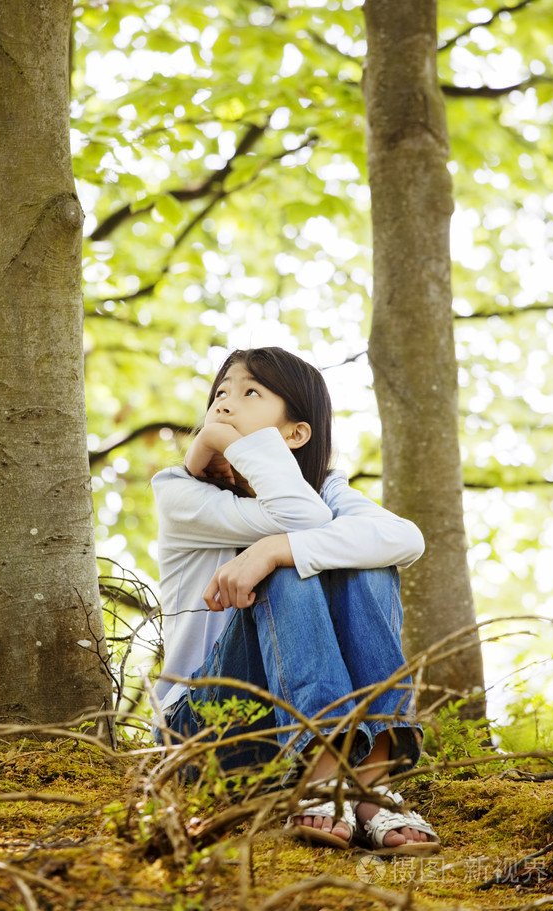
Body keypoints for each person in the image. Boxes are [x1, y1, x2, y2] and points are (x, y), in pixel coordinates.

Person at [151, 347, 440, 854]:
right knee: (290, 565)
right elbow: (300, 521)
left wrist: (271, 549)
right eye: (220, 394)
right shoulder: (183, 493)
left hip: (281, 741)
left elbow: (405, 538)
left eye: (250, 393)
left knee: (355, 557)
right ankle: (325, 773)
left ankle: (370, 783)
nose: (224, 405)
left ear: (294, 434)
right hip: (204, 733)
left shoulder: (325, 490)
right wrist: (218, 443)